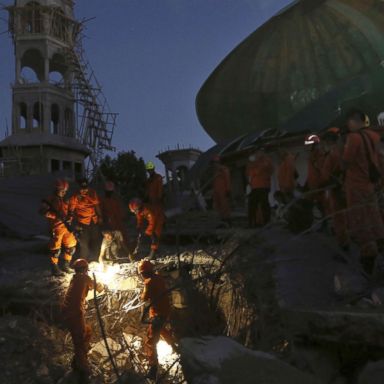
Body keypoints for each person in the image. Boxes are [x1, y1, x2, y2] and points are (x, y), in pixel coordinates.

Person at [342, 109, 384, 274]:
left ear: (354, 121)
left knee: (361, 223)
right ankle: (379, 249)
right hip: (370, 185)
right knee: (375, 218)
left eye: (349, 121)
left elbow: (346, 162)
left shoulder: (353, 139)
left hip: (356, 186)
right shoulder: (373, 136)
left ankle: (368, 260)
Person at [62, 259, 104, 382]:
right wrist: (101, 285)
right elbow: (98, 288)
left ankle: (78, 361)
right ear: (85, 269)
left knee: (87, 331)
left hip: (70, 311)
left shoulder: (74, 278)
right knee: (79, 339)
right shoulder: (84, 278)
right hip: (74, 313)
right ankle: (84, 371)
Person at [138, 260, 173, 380]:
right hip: (165, 311)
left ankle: (153, 369)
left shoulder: (149, 282)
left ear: (145, 272)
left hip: (158, 314)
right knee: (162, 329)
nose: (142, 275)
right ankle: (175, 346)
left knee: (150, 341)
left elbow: (144, 297)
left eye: (142, 273)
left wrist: (142, 292)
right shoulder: (159, 277)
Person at [40, 179, 76, 276]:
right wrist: (56, 216)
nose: (64, 193)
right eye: (62, 191)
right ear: (57, 189)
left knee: (71, 247)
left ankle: (66, 265)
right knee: (55, 250)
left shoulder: (65, 199)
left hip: (66, 227)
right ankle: (55, 268)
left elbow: (70, 210)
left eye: (65, 191)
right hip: (56, 228)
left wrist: (69, 217)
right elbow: (42, 211)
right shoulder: (49, 199)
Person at [321, 127, 349, 250]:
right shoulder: (346, 151)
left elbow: (326, 175)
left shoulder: (332, 154)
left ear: (329, 141)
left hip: (336, 190)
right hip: (347, 188)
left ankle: (343, 245)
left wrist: (325, 184)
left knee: (339, 218)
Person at [68, 178, 102, 260]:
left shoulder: (92, 193)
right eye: (82, 189)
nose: (84, 191)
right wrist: (73, 223)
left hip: (93, 220)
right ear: (79, 188)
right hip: (82, 222)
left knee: (96, 240)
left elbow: (96, 205)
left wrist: (100, 216)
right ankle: (84, 261)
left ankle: (96, 259)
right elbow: (71, 211)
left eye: (85, 188)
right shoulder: (74, 197)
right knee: (84, 243)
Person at [245, 149, 274, 227]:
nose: (257, 154)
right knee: (252, 205)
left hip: (263, 186)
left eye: (259, 152)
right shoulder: (253, 162)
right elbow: (249, 172)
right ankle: (252, 223)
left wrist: (254, 165)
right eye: (256, 152)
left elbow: (260, 170)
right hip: (254, 187)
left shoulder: (266, 160)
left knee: (264, 205)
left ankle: (266, 223)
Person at [305, 134, 327, 214]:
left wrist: (321, 184)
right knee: (313, 204)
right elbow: (311, 172)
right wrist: (307, 183)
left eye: (309, 145)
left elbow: (323, 172)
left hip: (319, 185)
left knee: (322, 204)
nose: (307, 147)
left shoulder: (320, 156)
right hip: (312, 185)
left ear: (315, 145)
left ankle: (326, 222)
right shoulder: (311, 156)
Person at [211, 155, 231, 224]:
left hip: (223, 190)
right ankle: (221, 220)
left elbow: (227, 179)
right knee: (218, 206)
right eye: (213, 163)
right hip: (217, 191)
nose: (214, 164)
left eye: (215, 162)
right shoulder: (215, 171)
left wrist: (228, 190)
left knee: (224, 205)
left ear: (218, 162)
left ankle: (227, 219)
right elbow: (214, 182)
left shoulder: (224, 169)